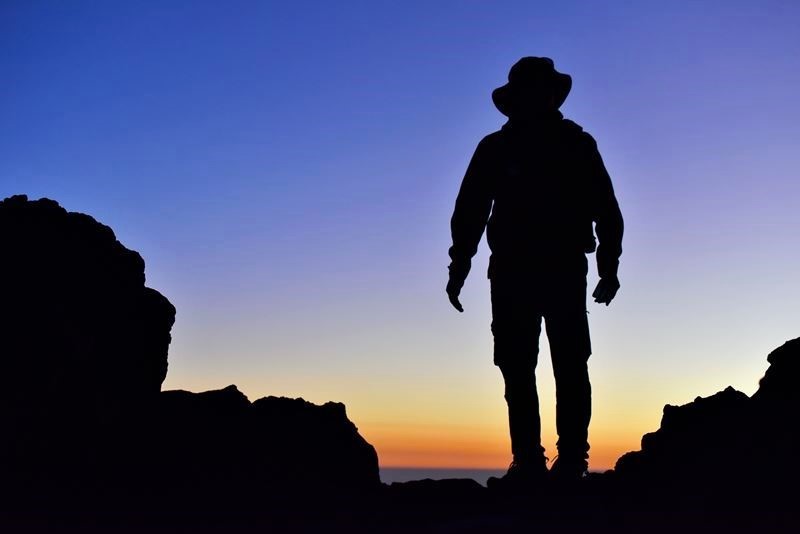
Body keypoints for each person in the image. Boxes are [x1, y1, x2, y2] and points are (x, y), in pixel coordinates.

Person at [446, 57, 623, 487]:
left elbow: (606, 209)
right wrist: (459, 264)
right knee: (520, 365)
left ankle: (568, 460)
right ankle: (531, 460)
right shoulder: (499, 147)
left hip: (556, 268)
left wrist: (609, 266)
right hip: (518, 270)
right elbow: (470, 210)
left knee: (565, 364)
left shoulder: (575, 144)